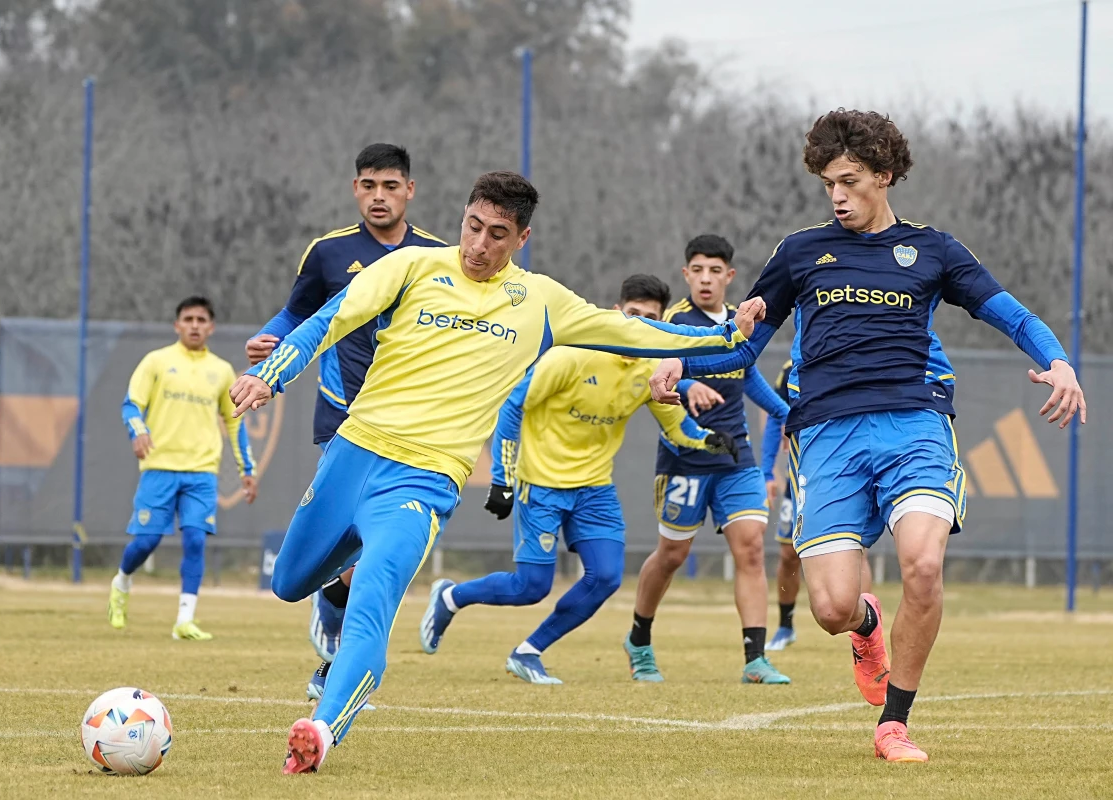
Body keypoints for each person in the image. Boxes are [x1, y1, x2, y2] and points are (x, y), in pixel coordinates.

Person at [230, 171, 766, 774]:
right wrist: (269, 375)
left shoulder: (540, 300)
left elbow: (633, 331)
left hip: (423, 481)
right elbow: (330, 318)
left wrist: (727, 332)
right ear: (463, 217)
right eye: (473, 227)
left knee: (373, 601)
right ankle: (334, 572)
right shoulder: (412, 268)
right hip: (351, 456)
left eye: (497, 235)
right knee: (289, 582)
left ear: (521, 238)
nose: (479, 245)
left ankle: (322, 730)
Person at [650, 109, 1085, 762]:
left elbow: (1010, 312)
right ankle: (867, 625)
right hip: (827, 439)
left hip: (914, 425)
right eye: (829, 183)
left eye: (850, 181)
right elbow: (743, 344)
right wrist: (684, 360)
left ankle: (894, 724)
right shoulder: (800, 253)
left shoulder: (933, 249)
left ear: (885, 176)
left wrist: (1056, 360)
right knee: (830, 607)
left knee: (925, 563)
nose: (837, 195)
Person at [418, 275, 739, 684]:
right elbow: (512, 407)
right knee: (531, 587)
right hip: (542, 485)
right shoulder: (571, 356)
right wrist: (502, 479)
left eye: (650, 319)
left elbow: (677, 430)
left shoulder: (652, 370)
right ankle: (450, 596)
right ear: (616, 313)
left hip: (594, 489)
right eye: (633, 315)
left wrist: (712, 441)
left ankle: (528, 651)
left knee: (605, 577)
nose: (639, 324)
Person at [245, 143, 446, 700]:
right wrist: (271, 336)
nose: (377, 196)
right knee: (354, 545)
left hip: (410, 424)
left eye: (389, 186)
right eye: (367, 185)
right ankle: (332, 613)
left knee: (376, 553)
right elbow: (296, 311)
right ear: (355, 188)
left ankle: (334, 642)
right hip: (344, 417)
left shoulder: (439, 256)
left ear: (410, 190)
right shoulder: (330, 253)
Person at [623, 235, 791, 686]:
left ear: (729, 277)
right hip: (685, 460)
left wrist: (789, 415)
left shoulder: (738, 322)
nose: (705, 278)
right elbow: (651, 377)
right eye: (697, 270)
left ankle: (755, 658)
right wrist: (685, 384)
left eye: (714, 271)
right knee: (673, 554)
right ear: (686, 275)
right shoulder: (675, 321)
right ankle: (639, 638)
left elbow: (748, 376)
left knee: (752, 548)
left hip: (736, 457)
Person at [107, 297, 258, 640]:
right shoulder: (157, 361)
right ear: (177, 325)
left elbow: (235, 422)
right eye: (187, 319)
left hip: (202, 472)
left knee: (195, 540)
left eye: (201, 319)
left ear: (211, 327)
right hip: (160, 467)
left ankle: (184, 620)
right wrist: (139, 431)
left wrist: (246, 469)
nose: (194, 325)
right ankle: (122, 582)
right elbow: (132, 405)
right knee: (146, 542)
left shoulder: (221, 371)